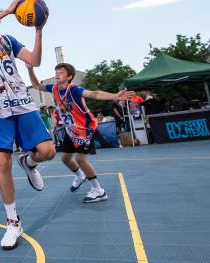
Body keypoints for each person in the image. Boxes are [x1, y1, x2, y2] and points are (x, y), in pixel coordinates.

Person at [0, 0, 56, 250]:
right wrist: (7, 9)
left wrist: (39, 29)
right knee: (2, 161)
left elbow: (34, 61)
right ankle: (13, 222)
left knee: (48, 151)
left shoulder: (9, 40)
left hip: (23, 103)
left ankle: (28, 162)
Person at [29, 63, 133, 203]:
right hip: (71, 129)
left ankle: (98, 190)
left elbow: (93, 93)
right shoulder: (53, 88)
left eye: (61, 72)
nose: (57, 73)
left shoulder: (74, 89)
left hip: (85, 129)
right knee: (65, 158)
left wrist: (114, 95)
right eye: (56, 71)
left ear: (69, 77)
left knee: (80, 159)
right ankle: (80, 175)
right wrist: (30, 69)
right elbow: (36, 85)